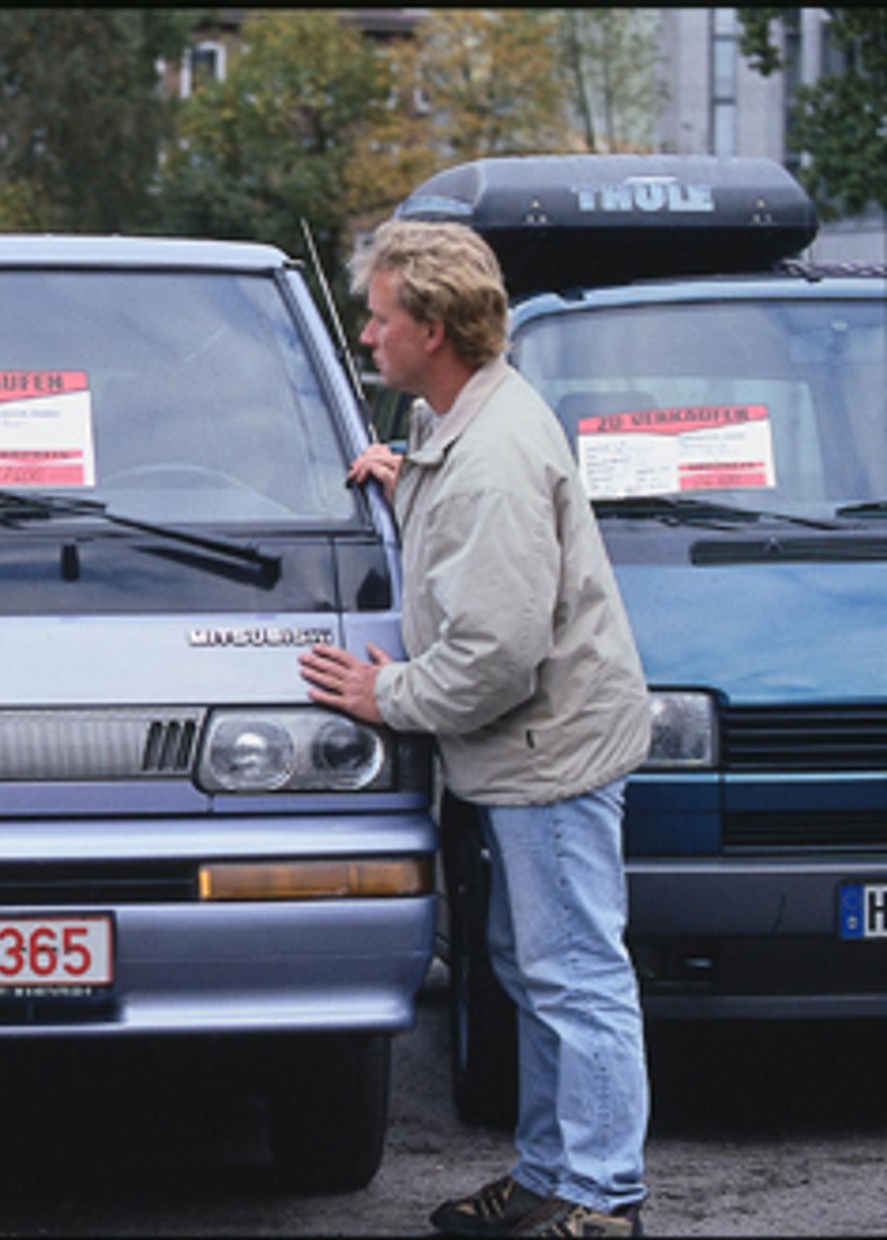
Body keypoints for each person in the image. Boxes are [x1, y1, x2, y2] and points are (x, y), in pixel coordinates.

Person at [299, 219, 652, 1238]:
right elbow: (469, 537)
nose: (367, 336)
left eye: (380, 319)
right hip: (530, 754)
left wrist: (386, 696)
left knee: (574, 976)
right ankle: (549, 1177)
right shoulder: (462, 427)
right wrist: (408, 478)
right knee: (539, 971)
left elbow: (494, 655)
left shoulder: (491, 460)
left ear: (435, 331)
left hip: (549, 758)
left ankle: (601, 1200)